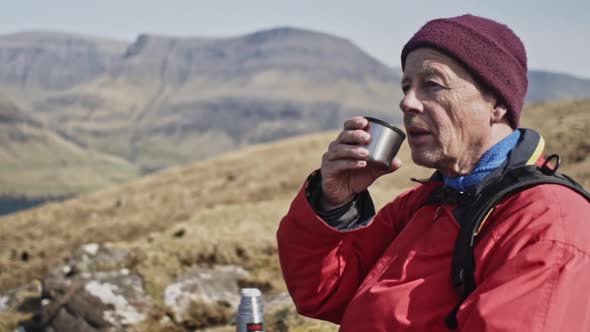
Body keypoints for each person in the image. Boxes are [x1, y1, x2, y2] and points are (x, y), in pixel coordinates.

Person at [276, 14, 590, 331]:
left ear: (495, 104)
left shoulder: (549, 223)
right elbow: (325, 294)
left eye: (432, 84)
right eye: (406, 86)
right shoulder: (428, 202)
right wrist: (334, 205)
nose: (407, 102)